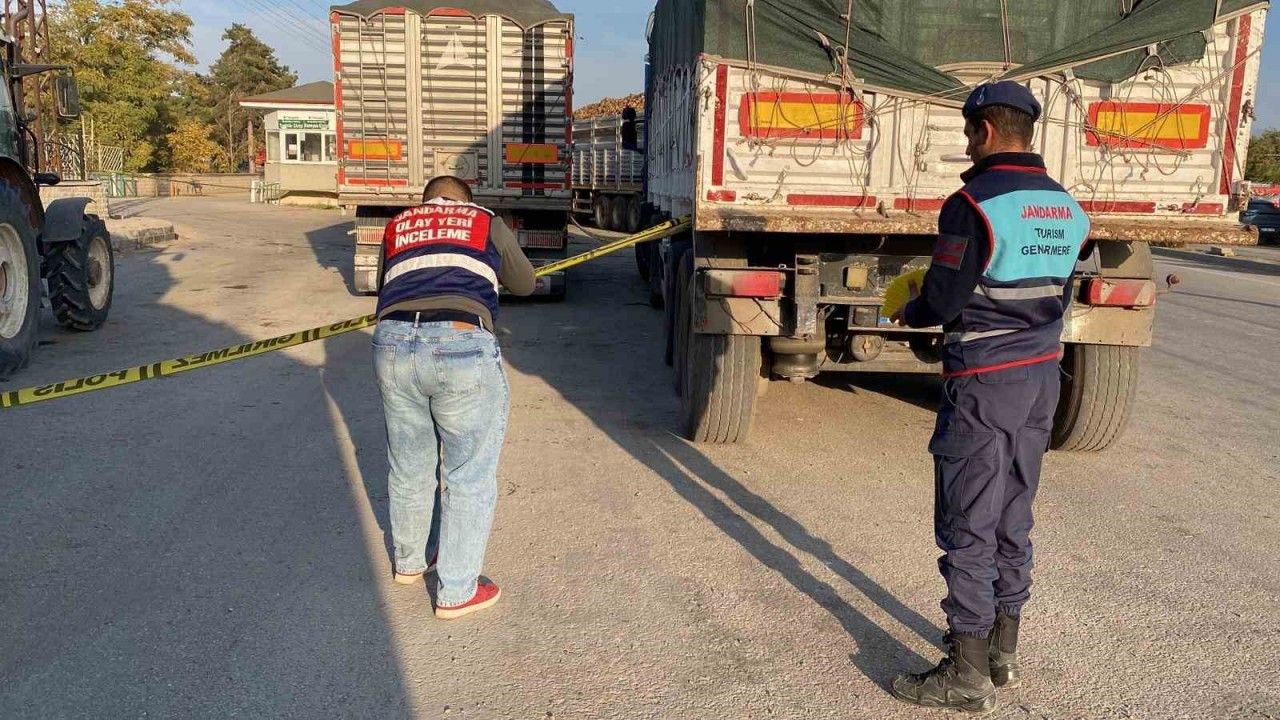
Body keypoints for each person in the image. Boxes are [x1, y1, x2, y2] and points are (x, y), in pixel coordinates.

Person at [889, 82, 1093, 713]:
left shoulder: (973, 203)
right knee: (1012, 510)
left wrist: (910, 310)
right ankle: (1002, 650)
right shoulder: (1066, 207)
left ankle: (966, 672)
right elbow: (1057, 290)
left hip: (985, 379)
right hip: (1041, 375)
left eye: (967, 133)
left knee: (968, 519)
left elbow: (944, 299)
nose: (967, 145)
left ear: (983, 130)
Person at [372, 175, 536, 620]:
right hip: (460, 340)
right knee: (468, 474)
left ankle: (409, 563)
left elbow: (385, 284)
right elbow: (525, 284)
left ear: (426, 201)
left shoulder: (398, 225)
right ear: (466, 201)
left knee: (408, 463)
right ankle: (458, 591)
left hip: (392, 342)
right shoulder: (484, 221)